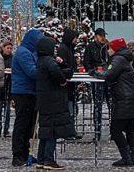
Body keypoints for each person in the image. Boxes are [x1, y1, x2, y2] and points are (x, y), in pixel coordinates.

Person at [35, 34, 76, 170]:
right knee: (52, 131)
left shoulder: (40, 61)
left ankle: (41, 159)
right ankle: (49, 160)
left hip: (44, 99)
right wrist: (63, 81)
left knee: (45, 130)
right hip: (53, 100)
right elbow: (57, 72)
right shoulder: (49, 61)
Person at [104, 37, 134, 167]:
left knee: (115, 130)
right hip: (131, 97)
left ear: (115, 49)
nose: (108, 50)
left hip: (124, 99)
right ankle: (132, 158)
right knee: (130, 128)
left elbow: (108, 75)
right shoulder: (124, 58)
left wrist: (96, 74)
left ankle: (126, 158)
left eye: (110, 48)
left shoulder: (118, 59)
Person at [11, 28, 43, 167]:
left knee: (29, 125)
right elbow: (31, 71)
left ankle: (25, 152)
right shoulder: (23, 52)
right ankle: (18, 155)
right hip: (23, 92)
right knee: (22, 124)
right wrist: (45, 70)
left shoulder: (30, 52)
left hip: (30, 91)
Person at [83, 28, 110, 141]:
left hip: (108, 79)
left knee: (111, 104)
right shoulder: (90, 47)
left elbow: (112, 61)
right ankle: (97, 132)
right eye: (101, 35)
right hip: (96, 79)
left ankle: (114, 131)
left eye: (104, 35)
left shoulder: (108, 46)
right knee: (97, 106)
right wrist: (92, 72)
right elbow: (86, 62)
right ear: (96, 36)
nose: (103, 38)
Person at [59, 27, 79, 122]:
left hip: (70, 85)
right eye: (75, 37)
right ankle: (69, 131)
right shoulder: (64, 49)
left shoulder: (69, 48)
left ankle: (70, 130)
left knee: (72, 108)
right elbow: (63, 66)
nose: (76, 40)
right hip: (67, 85)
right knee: (69, 109)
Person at [0, 39, 13, 137]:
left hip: (9, 86)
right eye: (7, 48)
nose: (9, 50)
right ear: (3, 48)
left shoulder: (12, 58)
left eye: (10, 48)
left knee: (7, 111)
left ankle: (6, 129)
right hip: (0, 87)